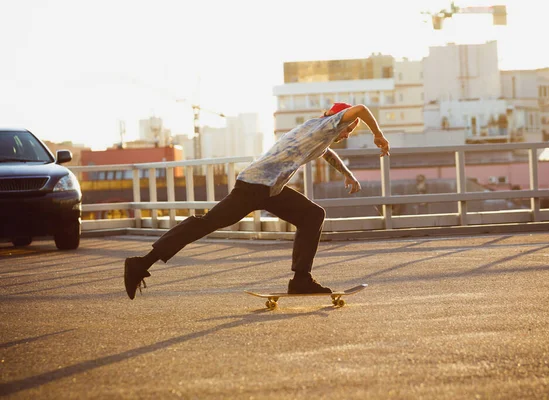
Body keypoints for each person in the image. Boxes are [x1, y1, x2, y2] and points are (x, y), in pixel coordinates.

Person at [124, 102, 390, 300]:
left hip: (269, 189)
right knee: (206, 223)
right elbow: (361, 108)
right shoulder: (326, 124)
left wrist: (348, 175)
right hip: (254, 186)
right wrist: (377, 134)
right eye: (348, 129)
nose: (346, 135)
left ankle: (301, 279)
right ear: (338, 120)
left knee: (312, 215)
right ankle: (141, 263)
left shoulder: (317, 132)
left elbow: (327, 153)